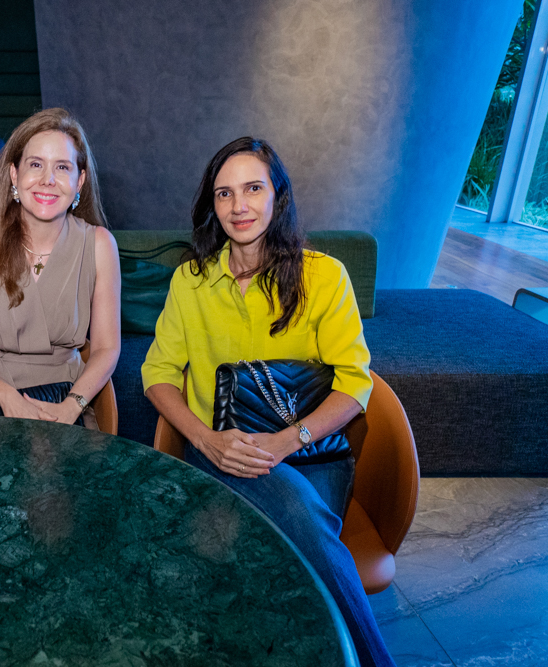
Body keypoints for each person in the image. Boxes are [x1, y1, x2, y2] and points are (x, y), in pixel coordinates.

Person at [142, 137, 395, 667]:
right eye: (224, 193)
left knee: (298, 519)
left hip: (309, 454)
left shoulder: (324, 276)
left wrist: (284, 442)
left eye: (253, 188)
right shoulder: (191, 281)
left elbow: (355, 384)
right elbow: (158, 374)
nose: (239, 206)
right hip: (220, 453)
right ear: (212, 205)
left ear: (278, 196)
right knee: (281, 538)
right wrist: (205, 439)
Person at [0, 108, 120, 428]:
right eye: (36, 164)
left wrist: (73, 406)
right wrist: (5, 395)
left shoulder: (99, 245)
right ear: (14, 174)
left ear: (79, 180)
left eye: (62, 167)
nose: (48, 179)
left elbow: (107, 348)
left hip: (63, 399)